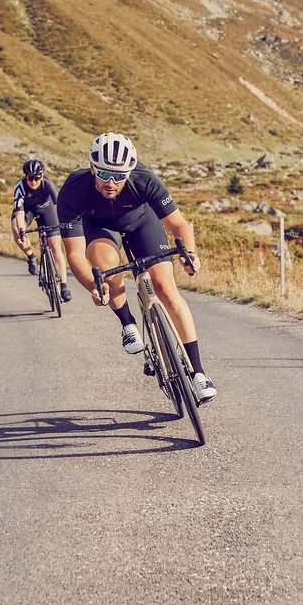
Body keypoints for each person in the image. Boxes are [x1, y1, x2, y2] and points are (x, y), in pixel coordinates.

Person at [57, 132, 216, 403]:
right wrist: (94, 286)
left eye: (119, 176)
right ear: (92, 167)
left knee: (165, 288)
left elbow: (179, 224)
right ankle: (127, 322)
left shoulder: (145, 179)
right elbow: (74, 253)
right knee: (107, 268)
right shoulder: (73, 190)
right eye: (104, 174)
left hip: (142, 222)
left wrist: (190, 254)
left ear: (129, 172)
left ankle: (198, 373)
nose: (111, 183)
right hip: (101, 228)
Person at [11, 158, 72, 303]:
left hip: (46, 208)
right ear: (26, 177)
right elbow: (19, 214)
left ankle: (64, 286)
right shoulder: (20, 187)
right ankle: (31, 256)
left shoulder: (48, 184)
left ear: (42, 176)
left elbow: (57, 206)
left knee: (55, 246)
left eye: (37, 178)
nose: (33, 182)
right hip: (27, 210)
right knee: (16, 228)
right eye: (30, 178)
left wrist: (61, 223)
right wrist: (22, 231)